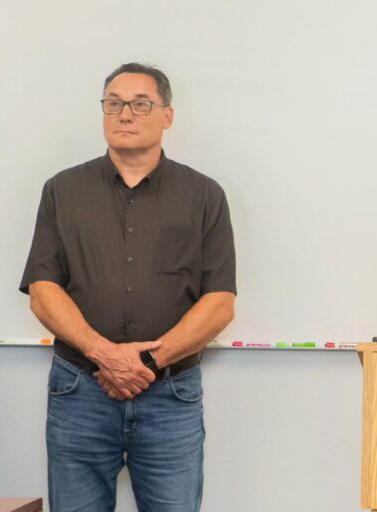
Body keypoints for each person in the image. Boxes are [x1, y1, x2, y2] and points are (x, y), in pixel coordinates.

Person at [20, 63, 236, 511]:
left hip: (170, 395)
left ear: (167, 116)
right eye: (114, 104)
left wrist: (146, 362)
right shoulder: (62, 190)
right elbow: (43, 289)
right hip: (79, 391)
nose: (125, 114)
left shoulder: (204, 195)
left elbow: (219, 303)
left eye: (141, 104)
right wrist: (103, 353)